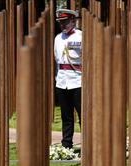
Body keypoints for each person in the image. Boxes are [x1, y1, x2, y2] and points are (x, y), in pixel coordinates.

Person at [54, 8, 82, 149]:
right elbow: (57, 60)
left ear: (73, 20)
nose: (62, 25)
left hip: (78, 81)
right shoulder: (58, 38)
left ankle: (88, 144)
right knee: (66, 116)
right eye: (60, 22)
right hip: (62, 81)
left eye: (65, 22)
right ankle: (66, 145)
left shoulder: (81, 36)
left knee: (83, 116)